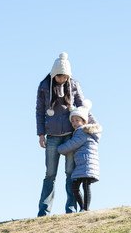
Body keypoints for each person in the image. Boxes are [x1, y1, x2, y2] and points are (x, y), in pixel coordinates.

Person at [36, 52, 97, 217]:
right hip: (52, 136)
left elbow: (83, 107)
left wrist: (94, 126)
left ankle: (70, 210)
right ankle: (43, 212)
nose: (63, 80)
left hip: (71, 135)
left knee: (71, 174)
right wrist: (41, 134)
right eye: (60, 77)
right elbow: (40, 111)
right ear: (55, 74)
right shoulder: (43, 86)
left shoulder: (74, 85)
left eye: (65, 77)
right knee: (50, 174)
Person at [57, 99, 102, 212]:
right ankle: (83, 208)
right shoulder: (81, 131)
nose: (74, 123)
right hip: (83, 164)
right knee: (75, 187)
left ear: (84, 121)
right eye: (72, 121)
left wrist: (60, 149)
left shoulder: (82, 132)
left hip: (87, 164)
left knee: (85, 187)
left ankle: (85, 209)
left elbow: (73, 144)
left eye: (77, 120)